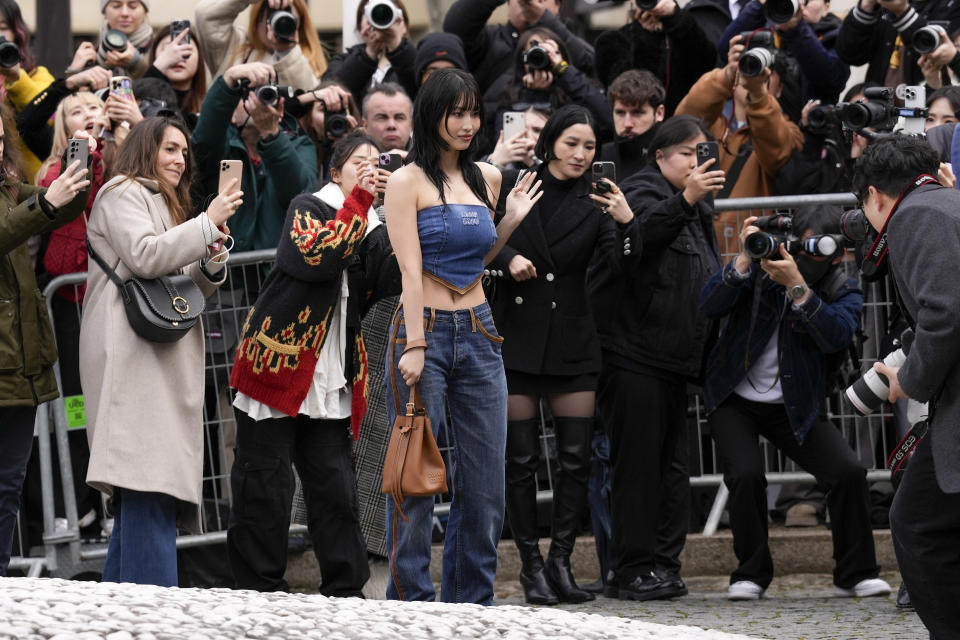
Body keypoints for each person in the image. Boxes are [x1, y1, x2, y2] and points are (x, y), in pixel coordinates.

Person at [383, 67, 541, 604]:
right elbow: (410, 269)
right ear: (434, 114)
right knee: (416, 478)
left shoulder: (487, 178)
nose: (468, 122)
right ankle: (412, 607)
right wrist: (415, 345)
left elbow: (475, 263)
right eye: (457, 111)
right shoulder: (406, 179)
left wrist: (511, 222)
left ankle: (471, 606)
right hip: (421, 331)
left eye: (474, 112)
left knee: (485, 485)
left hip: (479, 332)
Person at [227, 132, 400, 595]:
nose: (369, 169)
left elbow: (393, 279)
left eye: (375, 164)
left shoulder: (371, 221)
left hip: (329, 376)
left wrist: (397, 207)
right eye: (359, 162)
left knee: (335, 487)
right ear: (335, 171)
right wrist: (362, 200)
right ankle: (258, 588)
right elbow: (319, 257)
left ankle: (346, 589)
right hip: (276, 366)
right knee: (264, 484)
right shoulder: (308, 207)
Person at [699, 207, 891, 601]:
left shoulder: (842, 286)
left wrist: (798, 288)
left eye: (811, 251)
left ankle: (854, 574)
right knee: (746, 473)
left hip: (795, 404)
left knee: (848, 472)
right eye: (795, 245)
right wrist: (742, 261)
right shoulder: (758, 267)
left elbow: (836, 336)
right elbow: (708, 305)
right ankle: (750, 574)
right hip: (732, 395)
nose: (797, 257)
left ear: (837, 255)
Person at [80, 117, 242, 586]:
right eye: (170, 149)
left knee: (148, 488)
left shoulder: (165, 202)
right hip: (129, 355)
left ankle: (123, 608)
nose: (180, 159)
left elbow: (182, 289)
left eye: (185, 152)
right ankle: (155, 606)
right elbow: (146, 257)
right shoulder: (120, 192)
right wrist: (205, 222)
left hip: (154, 354)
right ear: (145, 148)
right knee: (144, 481)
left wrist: (210, 259)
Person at [487, 105, 639, 605]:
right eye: (571, 143)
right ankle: (530, 566)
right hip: (518, 336)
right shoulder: (516, 181)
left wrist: (626, 219)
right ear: (550, 141)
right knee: (522, 459)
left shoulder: (598, 198)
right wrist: (509, 259)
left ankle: (562, 562)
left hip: (574, 340)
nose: (580, 154)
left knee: (576, 460)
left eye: (590, 146)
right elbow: (482, 241)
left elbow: (620, 268)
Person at [588, 114, 723, 601]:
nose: (696, 162)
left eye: (702, 152)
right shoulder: (641, 191)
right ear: (660, 156)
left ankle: (663, 564)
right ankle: (631, 570)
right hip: (634, 355)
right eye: (687, 153)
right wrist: (687, 197)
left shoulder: (699, 206)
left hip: (674, 361)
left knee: (670, 471)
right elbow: (637, 242)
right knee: (638, 469)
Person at [852, 134, 960, 639]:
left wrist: (909, 380)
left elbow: (945, 313)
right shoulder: (946, 202)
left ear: (874, 195)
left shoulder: (913, 215)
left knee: (915, 523)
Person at [0, 106, 92, 576]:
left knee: (9, 483)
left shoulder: (10, 188)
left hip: (19, 362)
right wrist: (48, 203)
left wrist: (80, 169)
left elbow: (67, 207)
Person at [676, 36, 802, 257]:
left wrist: (759, 94)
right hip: (700, 250)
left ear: (779, 88)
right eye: (748, 68)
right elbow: (682, 125)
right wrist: (725, 75)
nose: (752, 75)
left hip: (750, 253)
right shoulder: (715, 128)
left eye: (764, 73)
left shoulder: (789, 130)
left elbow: (776, 151)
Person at [192, 61, 319, 254]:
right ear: (232, 115)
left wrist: (271, 135)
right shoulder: (221, 145)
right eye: (248, 95)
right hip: (229, 275)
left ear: (281, 109)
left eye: (265, 94)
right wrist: (228, 80)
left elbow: (300, 194)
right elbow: (203, 143)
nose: (258, 101)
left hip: (278, 273)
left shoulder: (300, 145)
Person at [489, 28, 612, 149]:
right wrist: (532, 94)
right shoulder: (509, 95)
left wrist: (564, 71)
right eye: (533, 54)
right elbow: (504, 143)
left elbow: (607, 118)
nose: (540, 58)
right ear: (522, 60)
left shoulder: (576, 89)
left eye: (547, 53)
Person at [442, 0, 594, 95]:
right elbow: (455, 28)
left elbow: (590, 65)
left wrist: (543, 19)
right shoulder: (489, 41)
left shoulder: (571, 43)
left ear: (557, 5)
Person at [594, 0, 717, 116]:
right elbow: (629, 93)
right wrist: (647, 37)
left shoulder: (685, 34)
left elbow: (706, 63)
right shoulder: (612, 41)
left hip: (684, 127)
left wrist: (677, 18)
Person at [718, 0, 849, 105]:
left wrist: (795, 29)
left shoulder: (835, 36)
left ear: (826, 7)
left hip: (808, 129)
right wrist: (759, 6)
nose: (801, 4)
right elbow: (724, 50)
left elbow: (831, 79)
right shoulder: (764, 26)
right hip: (758, 118)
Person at [195, 0, 327, 90]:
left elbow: (306, 102)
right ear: (258, 18)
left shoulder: (311, 63)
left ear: (300, 22)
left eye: (287, 14)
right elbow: (206, 15)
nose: (280, 20)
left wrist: (287, 52)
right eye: (272, 13)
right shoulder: (235, 46)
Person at [835, 0, 960, 88]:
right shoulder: (887, 3)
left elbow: (937, 61)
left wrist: (903, 13)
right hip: (878, 108)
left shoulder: (953, 7)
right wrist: (866, 7)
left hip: (929, 113)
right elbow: (850, 54)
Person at [324, 0, 417, 106]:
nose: (381, 21)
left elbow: (420, 89)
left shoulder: (419, 59)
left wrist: (397, 46)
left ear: (403, 25)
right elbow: (331, 93)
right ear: (360, 27)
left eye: (389, 13)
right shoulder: (342, 62)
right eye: (372, 13)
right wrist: (368, 54)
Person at [600, 70, 666, 182]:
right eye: (620, 112)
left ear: (659, 113)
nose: (627, 123)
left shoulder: (673, 158)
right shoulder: (600, 156)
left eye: (637, 113)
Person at [146, 24, 208, 129]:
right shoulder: (143, 99)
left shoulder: (209, 108)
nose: (178, 57)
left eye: (186, 50)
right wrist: (158, 68)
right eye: (169, 51)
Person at [98, 0, 153, 79]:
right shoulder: (91, 53)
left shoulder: (160, 49)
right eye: (116, 6)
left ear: (145, 12)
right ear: (104, 12)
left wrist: (136, 63)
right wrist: (76, 71)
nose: (124, 13)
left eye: (133, 6)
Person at [362, 82, 413, 152]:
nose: (391, 125)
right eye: (382, 118)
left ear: (411, 125)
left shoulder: (428, 160)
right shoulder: (347, 160)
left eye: (399, 117)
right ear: (365, 125)